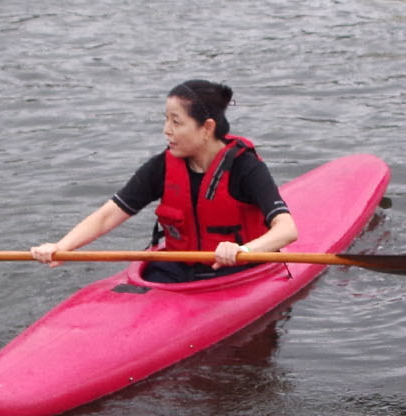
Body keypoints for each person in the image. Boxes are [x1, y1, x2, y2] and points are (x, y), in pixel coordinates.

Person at [30, 80, 299, 283]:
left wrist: (243, 250)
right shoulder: (163, 166)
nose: (166, 130)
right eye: (166, 119)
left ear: (206, 128)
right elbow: (109, 215)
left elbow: (286, 229)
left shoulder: (244, 166)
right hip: (177, 267)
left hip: (237, 270)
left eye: (176, 122)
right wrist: (62, 247)